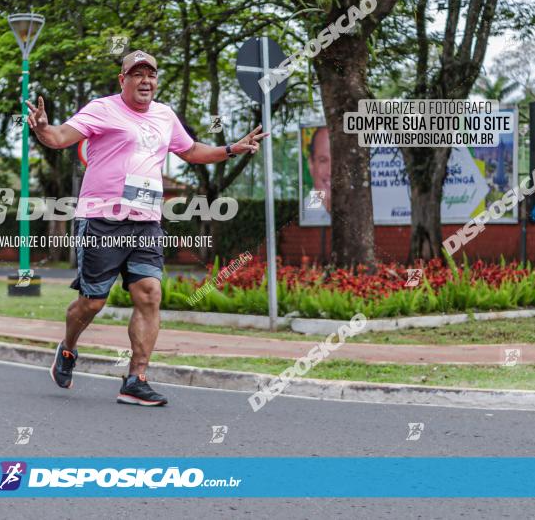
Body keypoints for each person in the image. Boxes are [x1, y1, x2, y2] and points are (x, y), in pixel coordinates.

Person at [26, 50, 265, 406]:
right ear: (122, 80)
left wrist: (229, 148)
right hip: (101, 219)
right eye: (136, 74)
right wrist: (43, 128)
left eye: (150, 75)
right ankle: (69, 348)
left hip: (146, 221)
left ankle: (136, 379)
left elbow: (191, 150)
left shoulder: (165, 115)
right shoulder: (102, 109)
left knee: (150, 293)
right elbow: (61, 137)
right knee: (92, 303)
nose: (145, 81)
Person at [306, 127, 332, 214]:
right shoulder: (306, 213)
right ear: (311, 164)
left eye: (337, 160)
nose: (330, 171)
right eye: (323, 160)